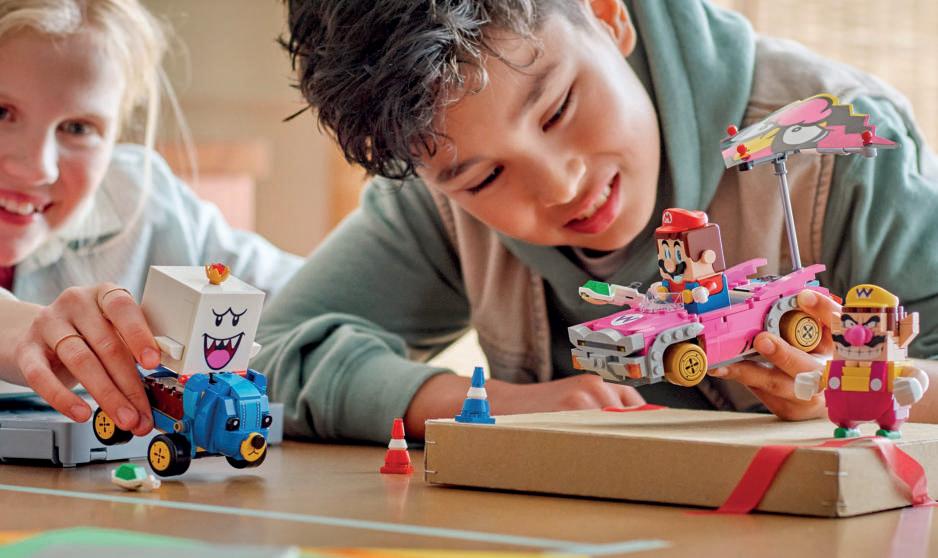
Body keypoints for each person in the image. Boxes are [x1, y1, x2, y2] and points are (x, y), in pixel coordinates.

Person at [257, 0, 938, 443]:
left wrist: (850, 391)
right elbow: (267, 356)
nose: (560, 185)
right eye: (485, 178)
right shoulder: (442, 179)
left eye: (557, 109)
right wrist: (489, 405)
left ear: (608, 14)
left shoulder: (835, 147)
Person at [0, 0, 302, 438]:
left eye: (78, 128)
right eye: (1, 112)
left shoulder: (140, 196)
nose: (37, 169)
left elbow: (308, 301)